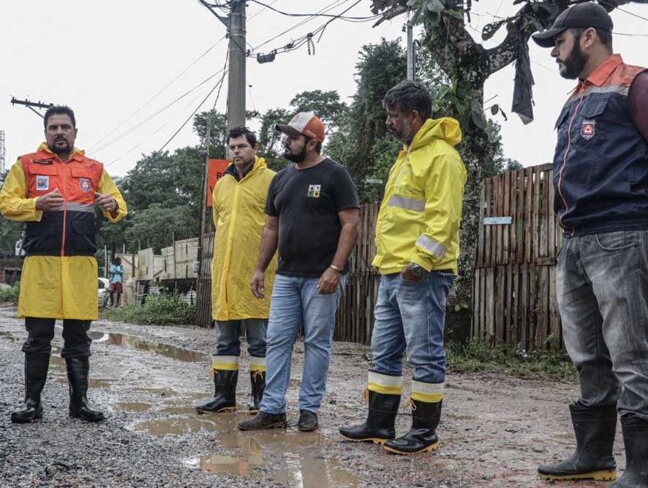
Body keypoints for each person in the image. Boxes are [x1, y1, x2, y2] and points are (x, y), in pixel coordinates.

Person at [531, 3, 648, 485]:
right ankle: (594, 454)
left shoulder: (634, 84)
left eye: (559, 42)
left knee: (631, 353)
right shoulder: (576, 98)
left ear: (587, 37)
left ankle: (642, 467)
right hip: (575, 239)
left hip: (623, 234)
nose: (555, 53)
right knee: (587, 352)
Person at [339, 81, 466, 455]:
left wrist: (421, 261)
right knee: (384, 352)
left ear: (414, 116)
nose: (389, 123)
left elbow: (444, 218)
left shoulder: (441, 157)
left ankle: (424, 433)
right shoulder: (408, 155)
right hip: (395, 269)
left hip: (420, 272)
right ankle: (379, 423)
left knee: (424, 352)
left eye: (394, 116)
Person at [0, 105, 127, 424]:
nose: (59, 132)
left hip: (80, 267)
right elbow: (6, 203)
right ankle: (32, 403)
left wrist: (112, 205)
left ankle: (79, 403)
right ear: (45, 133)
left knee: (79, 338)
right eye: (53, 127)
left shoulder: (94, 168)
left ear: (75, 132)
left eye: (65, 127)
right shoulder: (26, 165)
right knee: (38, 336)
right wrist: (35, 204)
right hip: (41, 265)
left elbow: (119, 205)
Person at [238, 112, 360, 432]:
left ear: (313, 143)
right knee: (277, 340)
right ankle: (273, 409)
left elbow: (351, 224)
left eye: (294, 137)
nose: (287, 141)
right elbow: (271, 229)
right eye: (287, 136)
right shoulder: (281, 179)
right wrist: (260, 269)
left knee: (317, 342)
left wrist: (335, 269)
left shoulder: (335, 175)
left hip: (322, 277)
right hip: (287, 276)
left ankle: (309, 408)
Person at [195, 126, 277, 415]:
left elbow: (278, 226)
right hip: (226, 275)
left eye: (242, 146)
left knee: (260, 341)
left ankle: (261, 400)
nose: (236, 152)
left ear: (255, 148)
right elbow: (220, 223)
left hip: (258, 274)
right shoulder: (222, 185)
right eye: (232, 147)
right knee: (224, 340)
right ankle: (224, 397)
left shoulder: (272, 181)